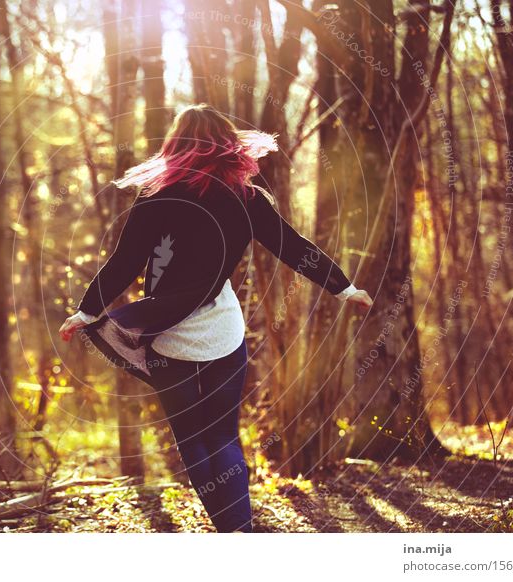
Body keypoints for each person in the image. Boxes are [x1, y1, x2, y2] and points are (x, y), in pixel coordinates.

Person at [59, 103, 372, 532]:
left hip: (169, 340)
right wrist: (344, 287)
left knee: (194, 442)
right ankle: (238, 532)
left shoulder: (157, 198)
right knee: (224, 436)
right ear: (228, 146)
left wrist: (87, 310)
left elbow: (125, 261)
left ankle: (229, 531)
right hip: (225, 334)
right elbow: (292, 247)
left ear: (175, 144)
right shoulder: (248, 198)